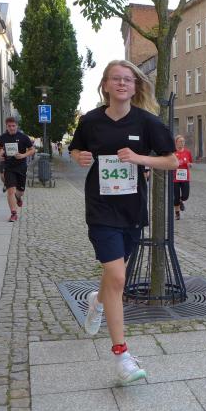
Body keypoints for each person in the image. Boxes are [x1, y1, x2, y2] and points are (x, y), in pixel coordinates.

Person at [69, 59, 177, 384]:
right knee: (118, 276)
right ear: (105, 85)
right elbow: (76, 149)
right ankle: (122, 356)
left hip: (132, 210)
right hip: (100, 208)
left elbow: (172, 161)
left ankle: (97, 300)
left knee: (112, 278)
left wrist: (140, 158)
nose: (121, 83)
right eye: (115, 78)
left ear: (135, 86)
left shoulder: (147, 122)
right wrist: (79, 157)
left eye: (127, 79)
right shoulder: (90, 121)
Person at [0, 117, 35, 222]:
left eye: (13, 126)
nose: (11, 128)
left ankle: (18, 198)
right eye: (9, 126)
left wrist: (23, 155)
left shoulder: (23, 137)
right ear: (6, 126)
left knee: (20, 192)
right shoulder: (3, 137)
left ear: (17, 126)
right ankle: (13, 213)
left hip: (21, 167)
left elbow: (32, 150)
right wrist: (0, 154)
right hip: (8, 167)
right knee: (11, 190)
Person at [173, 135, 193, 220]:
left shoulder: (187, 152)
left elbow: (191, 162)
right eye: (180, 141)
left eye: (183, 141)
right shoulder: (173, 152)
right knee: (176, 197)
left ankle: (181, 200)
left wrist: (190, 165)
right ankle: (177, 213)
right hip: (175, 178)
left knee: (185, 195)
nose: (182, 143)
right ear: (176, 142)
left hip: (185, 177)